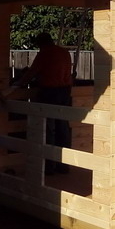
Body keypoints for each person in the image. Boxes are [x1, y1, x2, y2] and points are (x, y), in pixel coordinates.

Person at [16, 32, 73, 174]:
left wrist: (20, 83)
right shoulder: (64, 52)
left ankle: (48, 166)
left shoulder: (44, 53)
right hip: (65, 91)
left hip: (50, 91)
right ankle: (63, 165)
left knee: (47, 127)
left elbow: (32, 73)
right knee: (62, 126)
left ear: (40, 43)